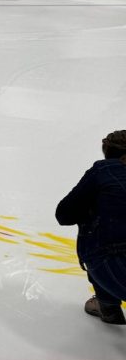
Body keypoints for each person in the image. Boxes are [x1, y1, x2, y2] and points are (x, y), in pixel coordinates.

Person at [56, 130, 126, 325]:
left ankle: (107, 304)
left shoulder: (104, 171)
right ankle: (107, 303)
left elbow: (64, 214)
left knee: (100, 232)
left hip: (114, 264)